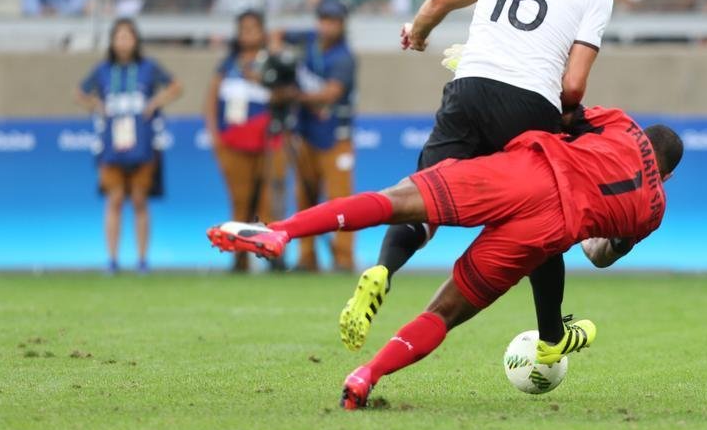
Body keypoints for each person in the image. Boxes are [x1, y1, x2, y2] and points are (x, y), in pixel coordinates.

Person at [206, 105, 683, 409]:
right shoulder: (654, 209)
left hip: (526, 172)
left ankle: (280, 232)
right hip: (550, 228)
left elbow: (561, 110)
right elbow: (600, 255)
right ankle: (365, 375)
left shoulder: (620, 123)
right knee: (446, 311)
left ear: (644, 134)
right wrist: (588, 215)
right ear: (667, 176)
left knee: (397, 201)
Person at [321, 0, 614, 357]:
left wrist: (417, 33)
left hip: (469, 87)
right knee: (544, 218)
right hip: (531, 104)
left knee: (424, 195)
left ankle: (382, 270)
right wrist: (564, 112)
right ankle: (551, 337)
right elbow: (574, 86)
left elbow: (439, 0)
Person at [77, 19, 182, 273]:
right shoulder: (103, 70)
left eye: (128, 36)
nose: (123, 41)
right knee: (113, 199)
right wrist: (98, 106)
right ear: (112, 41)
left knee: (139, 199)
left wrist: (154, 103)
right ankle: (112, 259)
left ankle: (142, 259)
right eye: (119, 37)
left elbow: (176, 86)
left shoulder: (148, 68)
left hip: (142, 141)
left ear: (136, 40)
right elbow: (80, 92)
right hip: (111, 143)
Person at [271, 0, 359, 271]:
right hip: (307, 132)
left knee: (340, 201)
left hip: (336, 135)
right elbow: (276, 34)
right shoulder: (308, 40)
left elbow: (331, 93)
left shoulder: (344, 56)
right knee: (305, 199)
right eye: (323, 20)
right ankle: (306, 257)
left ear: (342, 24)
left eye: (333, 21)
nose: (326, 26)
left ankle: (343, 259)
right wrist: (276, 52)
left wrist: (293, 95)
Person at [204, 10, 282, 272]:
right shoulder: (226, 65)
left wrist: (261, 78)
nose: (248, 33)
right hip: (233, 143)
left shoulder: (271, 62)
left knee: (266, 201)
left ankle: (272, 257)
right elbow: (212, 102)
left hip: (266, 141)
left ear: (263, 32)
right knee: (240, 200)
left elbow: (283, 96)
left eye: (254, 28)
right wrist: (216, 138)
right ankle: (239, 259)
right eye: (244, 28)